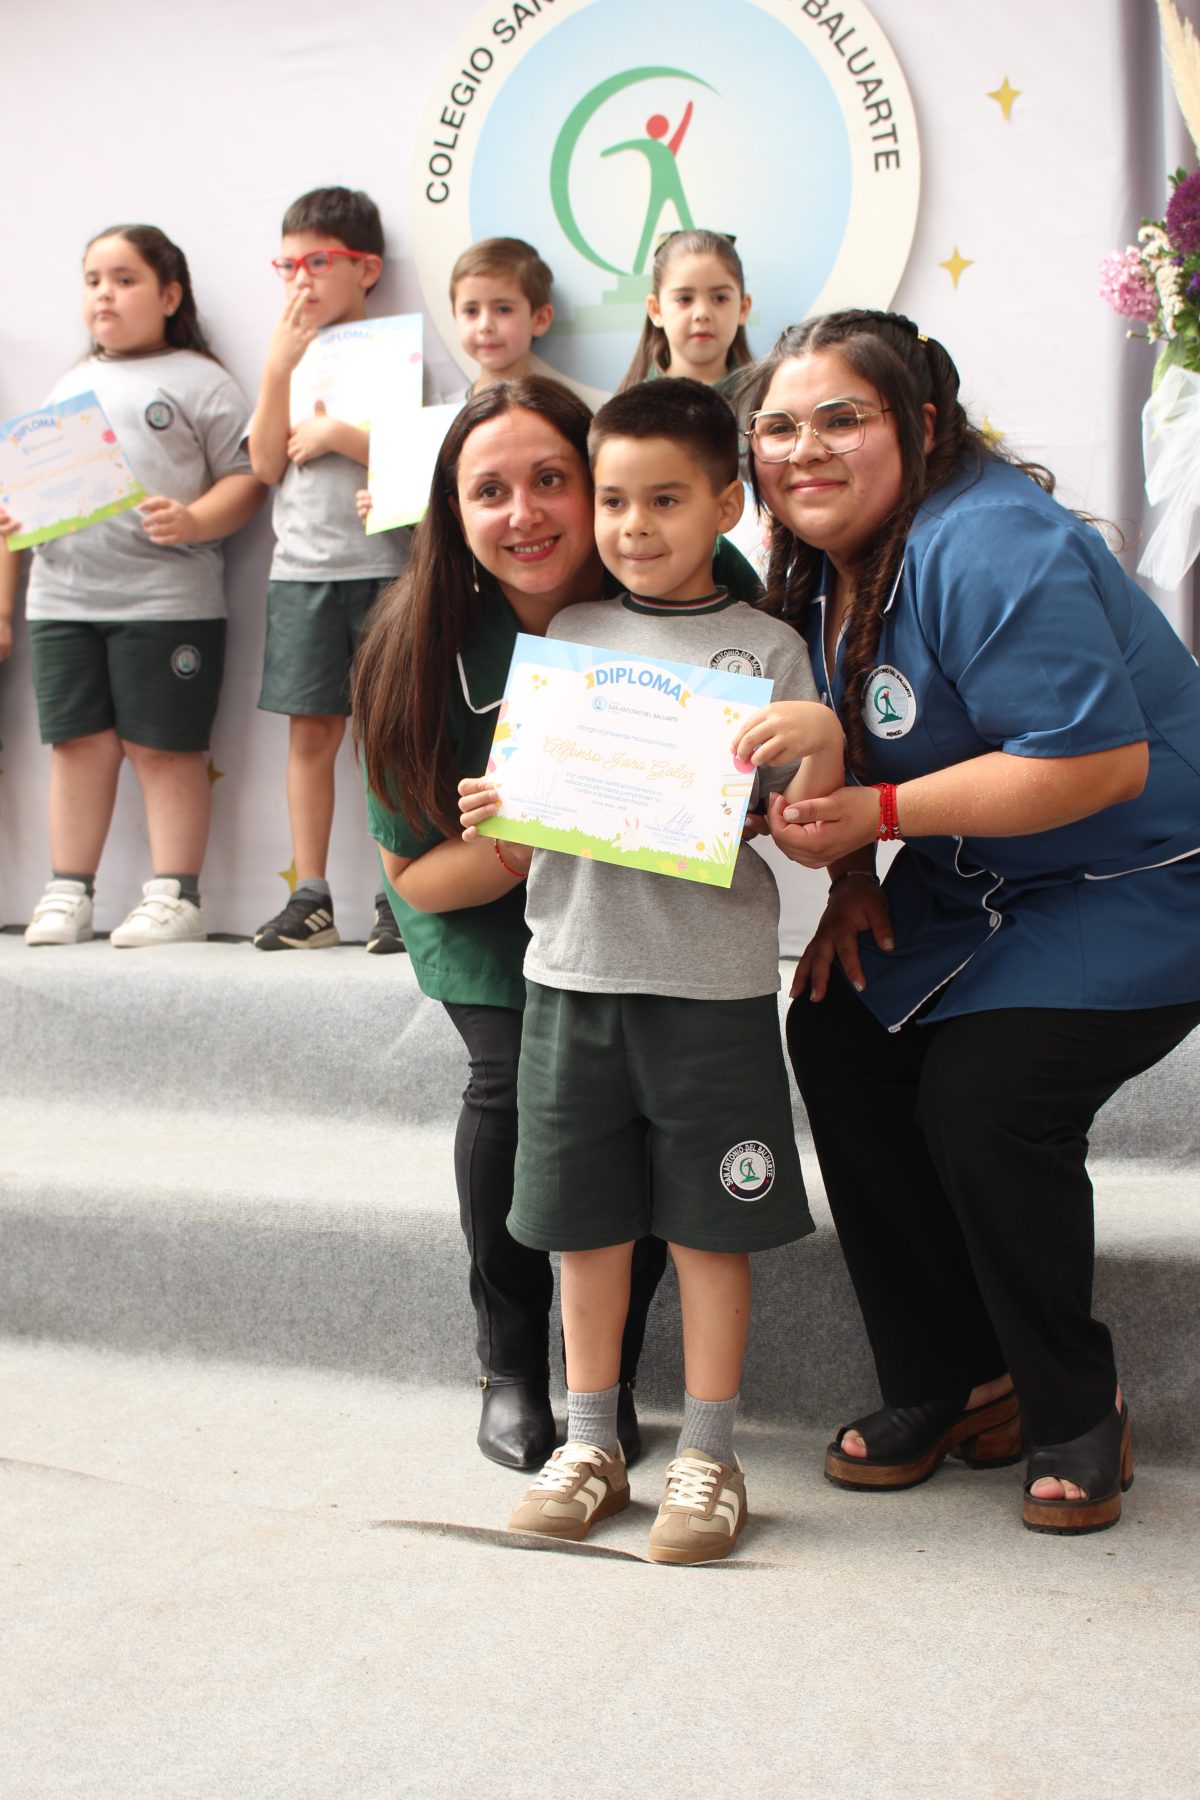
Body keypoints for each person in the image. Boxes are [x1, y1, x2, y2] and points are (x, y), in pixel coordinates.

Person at [738, 307, 1200, 1535]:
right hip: (984, 880)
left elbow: (1097, 765)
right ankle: (950, 1382)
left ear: (923, 425)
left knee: (984, 1097)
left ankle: (1072, 1404)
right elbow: (853, 744)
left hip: (1142, 880)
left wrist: (873, 815)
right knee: (838, 1027)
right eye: (779, 426)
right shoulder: (832, 564)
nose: (806, 449)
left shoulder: (989, 541)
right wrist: (851, 881)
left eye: (845, 417)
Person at [459, 378, 843, 1564]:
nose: (633, 526)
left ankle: (711, 1453)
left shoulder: (769, 647)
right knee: (583, 1229)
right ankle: (591, 1443)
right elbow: (528, 838)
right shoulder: (566, 640)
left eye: (666, 499)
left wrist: (820, 741)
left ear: (729, 500)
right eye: (614, 499)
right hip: (572, 977)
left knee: (707, 1233)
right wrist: (500, 814)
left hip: (711, 992)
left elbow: (809, 811)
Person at [352, 378, 675, 1474]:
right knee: (513, 1086)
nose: (525, 513)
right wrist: (526, 839)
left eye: (552, 480)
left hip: (640, 915)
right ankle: (510, 1365)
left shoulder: (682, 577)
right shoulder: (410, 645)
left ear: (602, 487)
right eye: (489, 490)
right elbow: (419, 883)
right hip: (489, 922)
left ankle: (608, 1376)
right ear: (451, 509)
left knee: (641, 1113)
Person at [0, 224, 263, 947]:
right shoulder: (68, 383)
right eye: (92, 281)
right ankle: (67, 889)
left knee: (163, 747)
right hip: (61, 598)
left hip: (165, 602)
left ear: (169, 294)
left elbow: (246, 480)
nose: (104, 295)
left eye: (123, 279)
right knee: (77, 745)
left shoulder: (201, 380)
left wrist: (195, 517)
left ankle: (177, 895)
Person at [248, 187, 410, 955]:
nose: (300, 278)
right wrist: (279, 369)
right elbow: (262, 463)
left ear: (367, 268)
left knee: (388, 734)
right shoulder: (285, 351)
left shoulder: (397, 351)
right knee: (311, 732)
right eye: (288, 264)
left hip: (385, 568)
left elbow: (422, 466)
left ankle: (399, 893)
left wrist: (345, 434)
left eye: (319, 261)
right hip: (301, 572)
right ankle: (310, 897)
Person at [618, 229, 752, 395]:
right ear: (655, 309)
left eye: (720, 298)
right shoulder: (629, 408)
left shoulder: (765, 401)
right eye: (684, 299)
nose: (702, 313)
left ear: (743, 308)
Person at [446, 237, 555, 402]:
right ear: (455, 317)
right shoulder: (442, 417)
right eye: (471, 311)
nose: (485, 326)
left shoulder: (560, 413)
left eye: (503, 309)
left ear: (540, 319)